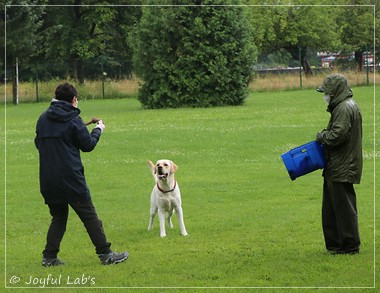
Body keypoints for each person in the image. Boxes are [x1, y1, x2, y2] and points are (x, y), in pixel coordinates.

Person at [35, 83, 129, 266]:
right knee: (89, 216)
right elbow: (87, 145)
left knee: (59, 217)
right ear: (73, 100)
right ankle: (105, 254)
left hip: (48, 179)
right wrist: (98, 129)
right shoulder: (73, 119)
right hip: (71, 179)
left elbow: (39, 143)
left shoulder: (43, 118)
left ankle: (49, 257)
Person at [316, 73, 363, 255]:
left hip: (342, 166)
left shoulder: (343, 108)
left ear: (335, 92)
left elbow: (337, 136)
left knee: (343, 208)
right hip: (339, 165)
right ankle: (336, 245)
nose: (325, 96)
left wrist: (322, 136)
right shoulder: (346, 106)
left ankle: (349, 246)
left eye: (327, 92)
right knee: (331, 209)